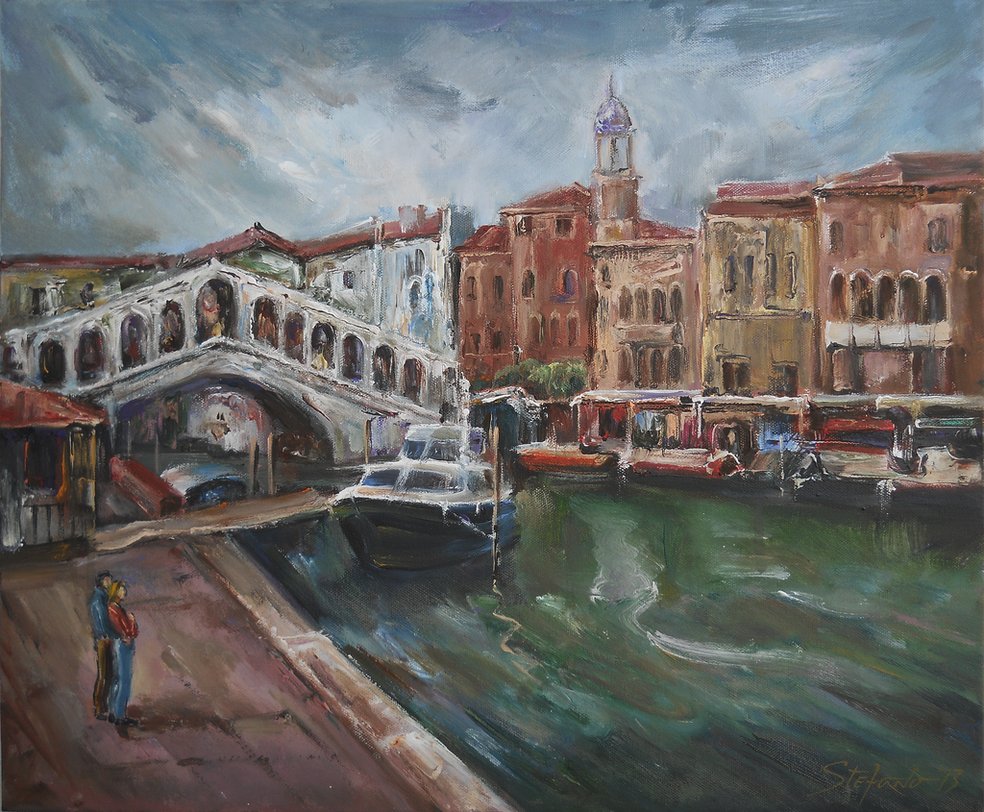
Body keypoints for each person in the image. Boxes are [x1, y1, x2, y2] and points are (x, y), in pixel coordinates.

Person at [107, 580, 139, 726]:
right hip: (123, 646)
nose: (124, 591)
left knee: (118, 679)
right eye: (122, 589)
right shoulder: (114, 609)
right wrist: (132, 620)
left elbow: (131, 632)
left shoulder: (115, 608)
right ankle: (120, 715)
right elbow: (129, 632)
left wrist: (131, 625)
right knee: (124, 680)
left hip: (120, 644)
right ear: (115, 591)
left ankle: (113, 712)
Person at [88, 571, 114, 720]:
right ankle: (99, 708)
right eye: (108, 580)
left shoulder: (101, 596)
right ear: (102, 581)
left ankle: (102, 706)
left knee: (106, 674)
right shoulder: (99, 598)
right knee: (104, 674)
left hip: (103, 639)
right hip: (103, 640)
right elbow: (103, 621)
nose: (110, 582)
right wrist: (113, 634)